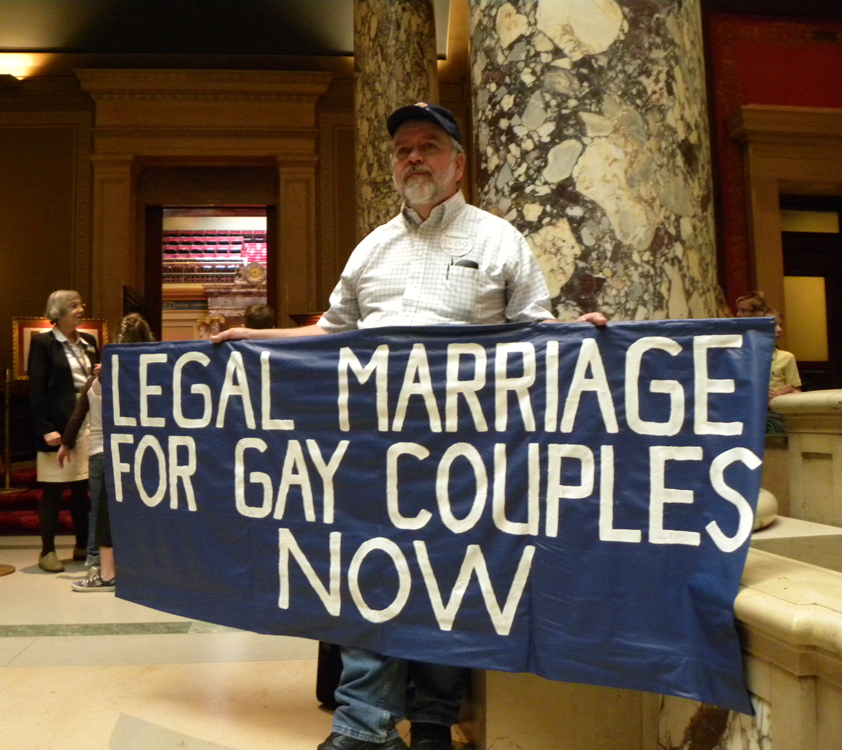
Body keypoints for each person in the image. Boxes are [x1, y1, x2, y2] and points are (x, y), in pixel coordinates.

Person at [213, 102, 606, 750]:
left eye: (428, 145)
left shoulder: (498, 240)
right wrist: (255, 338)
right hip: (373, 452)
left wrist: (574, 334)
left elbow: (535, 331)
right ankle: (363, 727)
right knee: (368, 576)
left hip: (466, 452)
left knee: (451, 581)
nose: (413, 158)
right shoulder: (372, 249)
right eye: (402, 149)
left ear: (457, 162)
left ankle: (432, 721)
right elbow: (330, 334)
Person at [58, 313, 156, 591]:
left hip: (105, 452)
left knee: (101, 512)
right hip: (140, 453)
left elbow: (78, 414)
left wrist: (66, 444)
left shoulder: (101, 378)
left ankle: (99, 565)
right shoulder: (150, 375)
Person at [28, 290, 100, 572]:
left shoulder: (89, 342)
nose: (81, 309)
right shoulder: (43, 343)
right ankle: (47, 551)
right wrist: (46, 430)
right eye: (74, 306)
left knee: (83, 489)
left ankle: (82, 544)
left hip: (88, 426)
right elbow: (36, 391)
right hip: (58, 428)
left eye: (81, 304)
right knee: (54, 491)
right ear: (58, 311)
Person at [735, 291, 801, 433]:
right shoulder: (739, 355)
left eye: (744, 310)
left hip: (776, 415)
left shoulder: (786, 357)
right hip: (748, 415)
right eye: (774, 325)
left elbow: (796, 392)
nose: (780, 330)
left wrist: (783, 395)